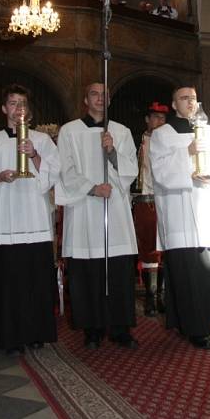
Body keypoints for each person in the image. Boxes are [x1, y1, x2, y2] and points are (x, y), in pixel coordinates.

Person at [0, 85, 59, 353]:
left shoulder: (42, 140)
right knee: (7, 279)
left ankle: (36, 332)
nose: (18, 107)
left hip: (35, 219)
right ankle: (8, 335)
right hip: (5, 218)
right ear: (4, 109)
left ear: (28, 109)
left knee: (36, 278)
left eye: (22, 103)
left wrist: (34, 154)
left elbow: (54, 173)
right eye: (12, 103)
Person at [149, 85, 210, 349]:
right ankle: (191, 326)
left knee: (205, 271)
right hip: (180, 213)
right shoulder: (162, 135)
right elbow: (159, 172)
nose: (190, 102)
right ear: (174, 105)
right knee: (186, 270)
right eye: (184, 98)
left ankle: (204, 321)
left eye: (194, 98)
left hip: (207, 207)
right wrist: (186, 154)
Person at [56, 82, 139, 349]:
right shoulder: (69, 131)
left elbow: (132, 169)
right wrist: (92, 188)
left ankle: (120, 328)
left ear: (109, 100)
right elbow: (64, 169)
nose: (99, 99)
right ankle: (91, 329)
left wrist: (113, 153)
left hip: (114, 209)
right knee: (87, 271)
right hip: (83, 208)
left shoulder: (121, 131)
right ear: (85, 99)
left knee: (117, 270)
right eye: (94, 94)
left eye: (104, 95)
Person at [133, 101, 169, 316]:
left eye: (163, 118)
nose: (159, 122)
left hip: (166, 200)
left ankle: (161, 295)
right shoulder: (140, 142)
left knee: (165, 248)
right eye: (155, 117)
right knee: (149, 249)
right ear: (147, 119)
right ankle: (150, 296)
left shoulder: (170, 142)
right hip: (146, 200)